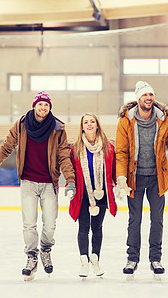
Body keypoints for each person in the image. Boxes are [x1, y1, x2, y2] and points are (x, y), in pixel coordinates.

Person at [0, 91, 76, 281]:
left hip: (49, 182)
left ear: (50, 108)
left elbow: (64, 155)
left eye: (46, 105)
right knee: (29, 224)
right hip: (28, 181)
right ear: (34, 106)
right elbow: (6, 147)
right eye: (40, 104)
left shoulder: (57, 128)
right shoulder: (22, 124)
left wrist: (70, 179)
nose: (43, 108)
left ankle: (46, 250)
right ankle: (32, 256)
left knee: (50, 224)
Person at [115, 80, 168, 277]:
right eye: (144, 95)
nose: (148, 98)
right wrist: (122, 177)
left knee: (157, 220)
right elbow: (121, 153)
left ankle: (155, 259)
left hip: (157, 178)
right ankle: (132, 259)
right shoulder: (126, 121)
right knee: (135, 220)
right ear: (137, 98)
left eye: (151, 95)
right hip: (135, 178)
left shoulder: (164, 119)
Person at [69, 113, 118, 278]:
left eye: (92, 121)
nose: (89, 124)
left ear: (97, 125)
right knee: (83, 228)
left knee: (97, 228)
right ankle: (84, 262)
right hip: (83, 195)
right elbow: (70, 171)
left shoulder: (108, 147)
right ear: (82, 127)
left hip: (101, 194)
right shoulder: (75, 148)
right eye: (86, 122)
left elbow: (114, 170)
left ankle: (95, 259)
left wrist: (120, 185)